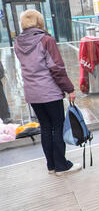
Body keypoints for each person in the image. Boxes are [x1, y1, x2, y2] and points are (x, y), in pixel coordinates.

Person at [14, 9, 81, 176]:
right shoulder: (46, 40)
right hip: (49, 91)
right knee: (57, 126)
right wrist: (69, 89)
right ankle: (61, 166)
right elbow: (56, 68)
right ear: (39, 21)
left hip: (32, 93)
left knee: (45, 127)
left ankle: (51, 165)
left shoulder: (17, 42)